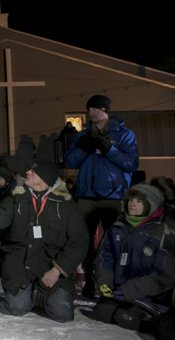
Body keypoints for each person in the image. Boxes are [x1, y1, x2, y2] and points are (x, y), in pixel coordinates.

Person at [0, 159, 88, 322]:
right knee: (16, 308)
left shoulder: (66, 205)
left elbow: (80, 241)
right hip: (20, 265)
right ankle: (28, 295)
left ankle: (42, 295)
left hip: (51, 266)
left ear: (45, 178)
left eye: (33, 172)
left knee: (62, 313)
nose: (27, 173)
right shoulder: (17, 198)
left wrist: (57, 270)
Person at [83, 183, 175, 332]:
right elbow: (105, 256)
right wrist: (104, 280)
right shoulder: (119, 225)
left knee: (124, 317)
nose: (132, 204)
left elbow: (166, 275)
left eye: (139, 201)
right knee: (101, 312)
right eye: (130, 200)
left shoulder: (164, 230)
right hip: (121, 291)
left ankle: (155, 321)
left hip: (151, 295)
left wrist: (131, 289)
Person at [64, 94, 139, 297]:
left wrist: (109, 148)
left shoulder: (124, 134)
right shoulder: (83, 135)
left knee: (115, 240)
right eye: (89, 109)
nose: (90, 113)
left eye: (94, 109)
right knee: (83, 241)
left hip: (113, 196)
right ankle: (89, 279)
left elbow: (132, 164)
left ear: (104, 110)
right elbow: (70, 162)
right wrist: (85, 149)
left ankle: (114, 280)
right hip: (86, 195)